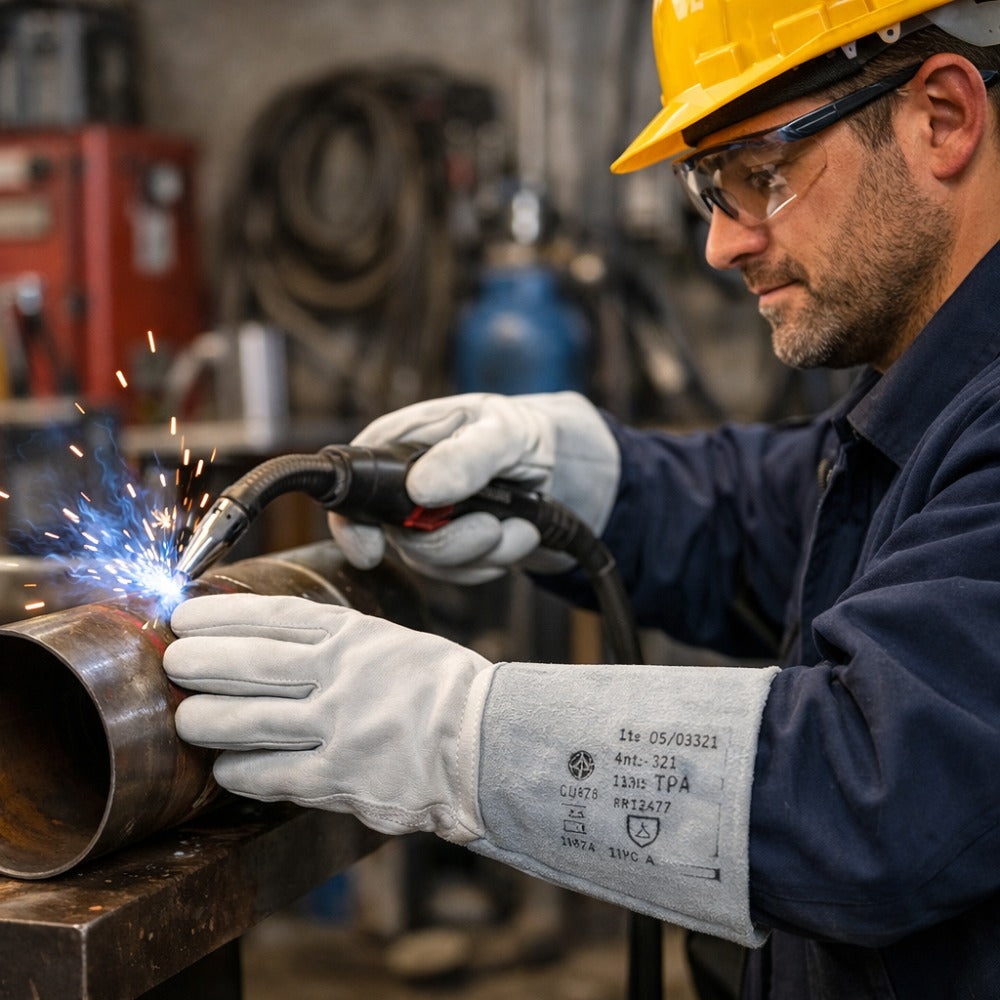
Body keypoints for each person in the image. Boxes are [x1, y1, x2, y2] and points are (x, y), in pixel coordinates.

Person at [162, 2, 1000, 997]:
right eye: (710, 190)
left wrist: (460, 733)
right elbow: (780, 513)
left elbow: (874, 790)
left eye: (760, 177)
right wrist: (584, 484)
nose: (721, 247)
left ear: (941, 119)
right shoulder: (937, 393)